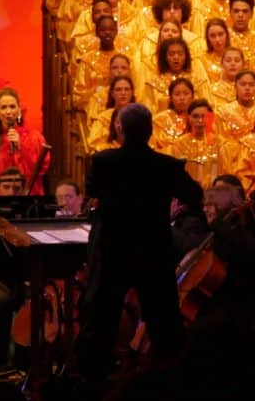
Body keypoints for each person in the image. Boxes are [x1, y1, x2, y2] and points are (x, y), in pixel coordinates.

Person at [75, 103, 203, 381]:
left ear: (119, 128)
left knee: (101, 317)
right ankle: (171, 382)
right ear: (150, 130)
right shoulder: (167, 165)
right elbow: (194, 194)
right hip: (152, 249)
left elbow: (93, 191)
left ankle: (90, 383)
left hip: (112, 250)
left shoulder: (103, 162)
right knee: (163, 319)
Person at [0, 88, 50, 196]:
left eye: (12, 106)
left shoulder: (33, 137)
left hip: (25, 198)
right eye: (3, 107)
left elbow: (40, 170)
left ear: (19, 109)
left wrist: (21, 147)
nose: (8, 112)